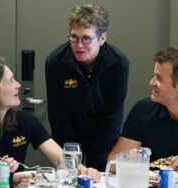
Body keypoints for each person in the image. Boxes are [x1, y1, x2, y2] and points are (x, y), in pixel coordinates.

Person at [0, 59, 101, 183]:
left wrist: (83, 170)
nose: (18, 85)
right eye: (10, 81)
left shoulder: (25, 121)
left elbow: (61, 158)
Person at [45, 4, 130, 171]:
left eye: (86, 38)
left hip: (103, 135)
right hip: (68, 135)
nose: (79, 45)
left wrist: (97, 165)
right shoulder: (55, 62)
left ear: (102, 38)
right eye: (73, 37)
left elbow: (112, 117)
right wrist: (72, 162)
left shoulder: (119, 64)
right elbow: (58, 116)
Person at [108, 47, 178, 174]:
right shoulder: (143, 110)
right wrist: (128, 161)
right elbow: (112, 162)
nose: (151, 82)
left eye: (159, 78)